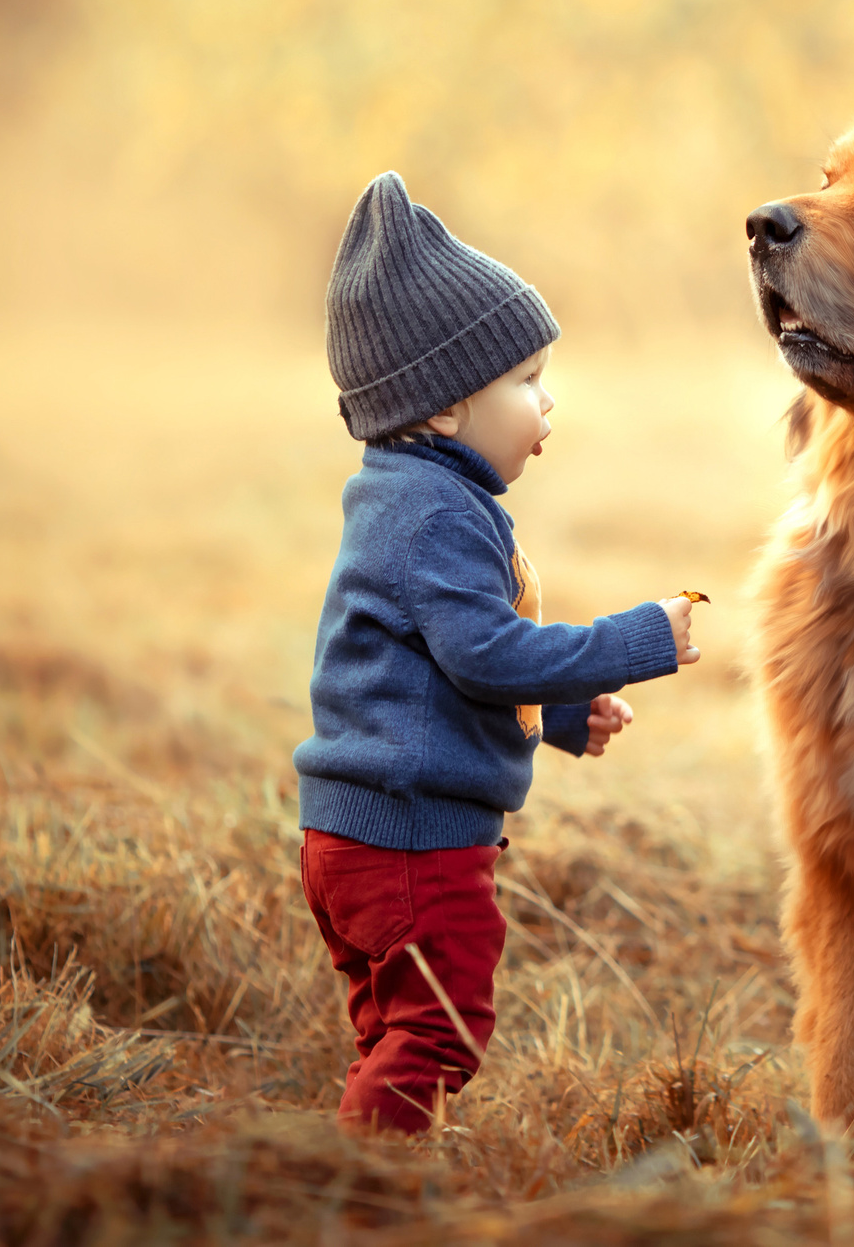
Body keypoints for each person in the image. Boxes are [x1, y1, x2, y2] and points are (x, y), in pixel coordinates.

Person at [296, 171, 699, 1131]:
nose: (548, 402)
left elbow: (431, 669)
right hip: (410, 846)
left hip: (358, 836)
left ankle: (373, 1163)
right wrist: (635, 640)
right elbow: (485, 655)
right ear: (441, 408)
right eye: (524, 380)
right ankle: (361, 1201)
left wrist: (558, 716)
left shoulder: (410, 496)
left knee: (396, 1033)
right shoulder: (435, 510)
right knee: (441, 1031)